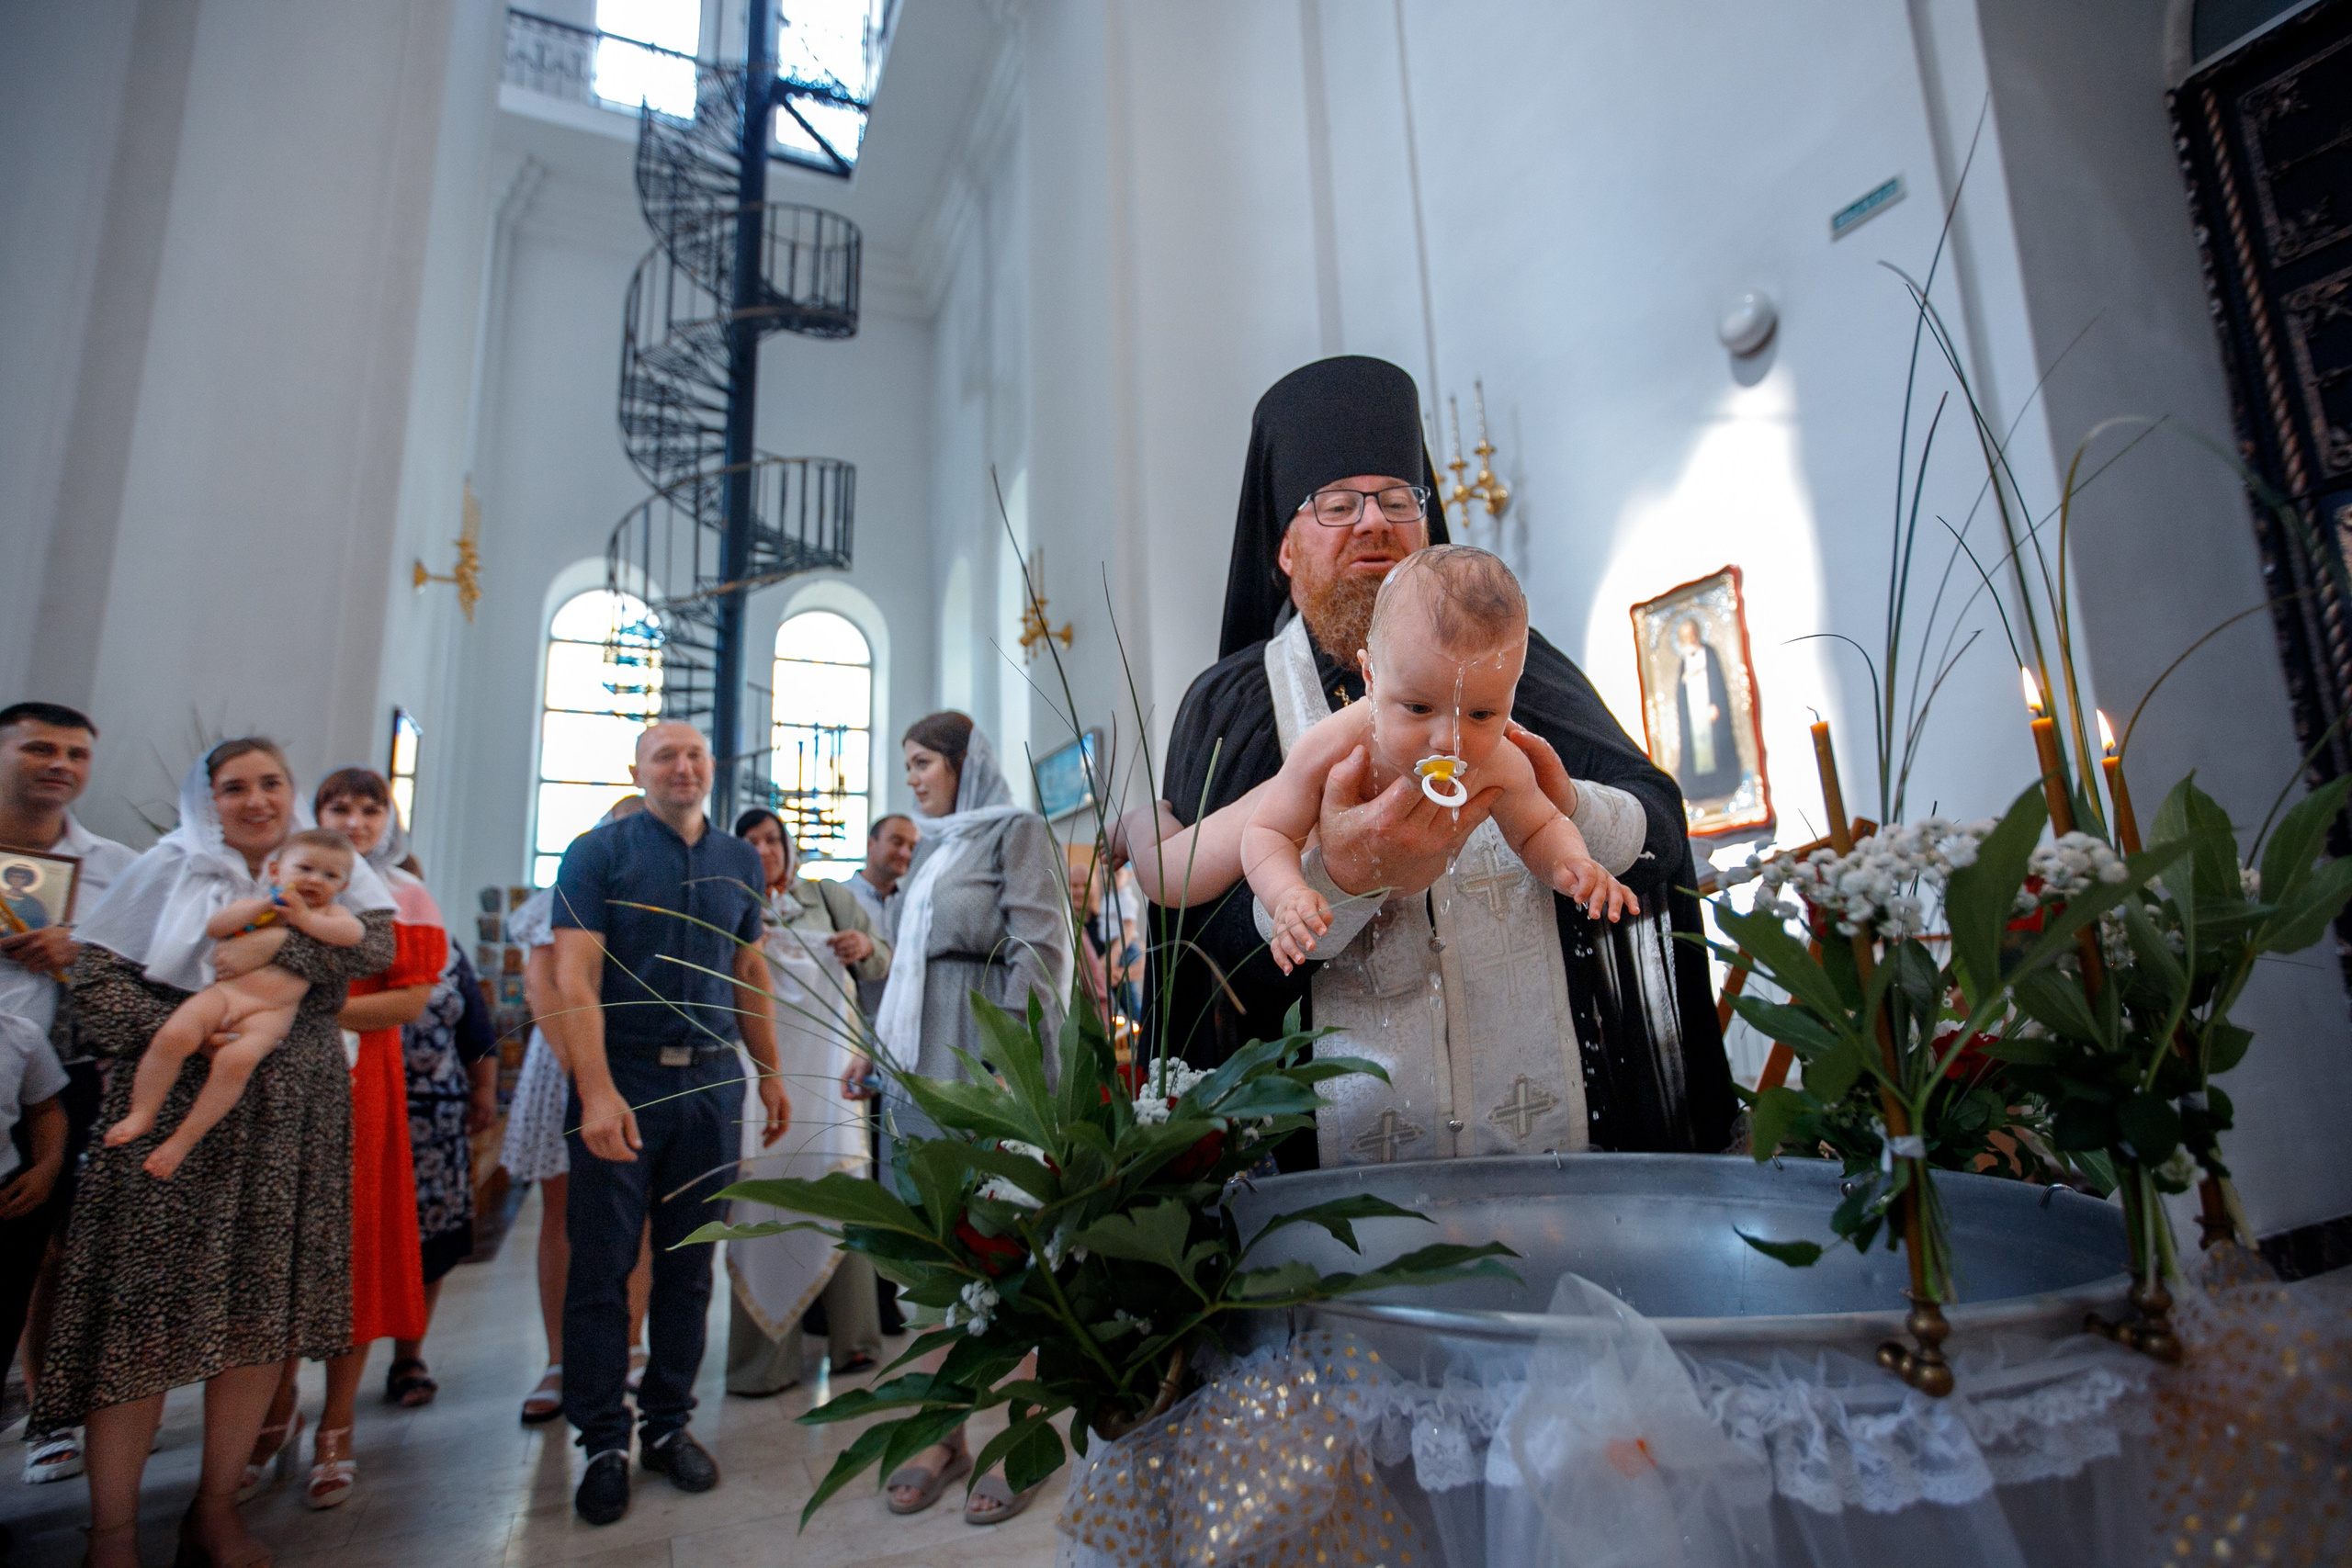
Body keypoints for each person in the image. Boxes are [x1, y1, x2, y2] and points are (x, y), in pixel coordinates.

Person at [1133, 355, 1736, 1168]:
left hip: (1546, 1140)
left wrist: (1574, 815)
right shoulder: (1232, 704)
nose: (1373, 522)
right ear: (1282, 549)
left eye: (1396, 499)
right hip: (1336, 1179)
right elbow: (1200, 952)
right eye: (1338, 504)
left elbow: (1657, 820)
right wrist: (1335, 883)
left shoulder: (1518, 670)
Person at [40, 738, 397, 1568]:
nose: (257, 799)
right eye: (235, 787)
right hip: (167, 1113)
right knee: (140, 1322)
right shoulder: (165, 867)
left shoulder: (323, 864)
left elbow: (372, 949)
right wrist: (194, 1033)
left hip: (292, 1113)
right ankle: (114, 1535)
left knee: (256, 1324)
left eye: (273, 782)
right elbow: (95, 984)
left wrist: (266, 950)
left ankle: (215, 1512)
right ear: (209, 799)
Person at [548, 722, 786, 1526]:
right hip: (626, 1075)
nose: (682, 767)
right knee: (605, 1264)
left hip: (714, 1083)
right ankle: (604, 1440)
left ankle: (668, 1425)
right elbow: (573, 977)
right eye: (665, 756)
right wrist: (597, 1090)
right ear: (638, 770)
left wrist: (771, 1069)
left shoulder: (740, 859)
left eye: (694, 755)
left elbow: (748, 967)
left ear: (710, 768)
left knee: (690, 1266)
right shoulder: (597, 851)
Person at [856, 711, 1070, 1526]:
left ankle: (1020, 1437)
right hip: (916, 1069)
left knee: (1003, 1253)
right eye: (906, 764)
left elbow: (1041, 951)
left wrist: (1006, 1068)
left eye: (921, 762)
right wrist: (870, 1048)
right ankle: (943, 1431)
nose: (911, 777)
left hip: (978, 1061)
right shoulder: (937, 844)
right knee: (936, 1261)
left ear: (959, 762)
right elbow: (904, 963)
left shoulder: (1011, 831)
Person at [1240, 547, 1638, 977]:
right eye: (1417, 708)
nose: (1449, 740)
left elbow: (1540, 826)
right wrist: (1287, 894)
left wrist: (1571, 863)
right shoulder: (1333, 745)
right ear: (1371, 678)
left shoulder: (1499, 760)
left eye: (1482, 715)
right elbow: (1267, 831)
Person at [241, 769, 444, 1511]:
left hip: (362, 1081)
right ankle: (273, 1409)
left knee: (349, 1245)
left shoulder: (404, 896)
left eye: (370, 807)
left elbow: (412, 997)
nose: (354, 819)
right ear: (315, 814)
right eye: (338, 807)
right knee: (276, 1249)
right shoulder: (282, 884)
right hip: (271, 1081)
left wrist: (311, 1010)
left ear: (387, 820)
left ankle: (338, 1422)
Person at [0, 702, 137, 1487]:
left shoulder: (113, 864)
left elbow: (147, 967)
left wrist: (76, 950)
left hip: (78, 1072)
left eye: (77, 753)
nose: (61, 764)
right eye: (41, 747)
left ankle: (52, 1411)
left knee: (56, 1248)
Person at [498, 795, 655, 1427]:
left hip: (637, 1065)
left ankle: (632, 1345)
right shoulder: (568, 886)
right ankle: (560, 1360)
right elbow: (544, 985)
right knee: (564, 1214)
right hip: (569, 1063)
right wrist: (587, 1080)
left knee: (635, 1213)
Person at [724, 807, 888, 1395]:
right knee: (764, 1198)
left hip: (829, 1072)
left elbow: (882, 962)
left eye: (773, 840)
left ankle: (855, 1342)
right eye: (752, 842)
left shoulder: (828, 896)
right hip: (760, 1071)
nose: (765, 851)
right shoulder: (728, 904)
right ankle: (764, 1361)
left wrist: (864, 944)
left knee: (839, 1189)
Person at [100, 831, 365, 1178]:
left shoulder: (333, 914)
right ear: (275, 870)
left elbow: (353, 936)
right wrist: (262, 907)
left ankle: (181, 1142)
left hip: (271, 1013)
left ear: (343, 885)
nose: (315, 880)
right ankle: (143, 1111)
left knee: (236, 1062)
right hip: (226, 994)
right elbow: (216, 927)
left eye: (330, 876)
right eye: (305, 868)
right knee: (174, 1035)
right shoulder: (256, 902)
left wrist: (305, 920)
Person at [391, 863, 500, 1402]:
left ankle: (408, 1357)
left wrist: (483, 1091)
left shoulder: (443, 948)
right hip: (362, 1111)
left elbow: (476, 1028)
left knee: (428, 1239)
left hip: (434, 1114)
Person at [846, 813, 917, 1020]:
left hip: (904, 1019)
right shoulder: (842, 898)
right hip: (853, 1022)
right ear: (871, 843)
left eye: (913, 847)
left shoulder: (914, 902)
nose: (905, 853)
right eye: (897, 842)